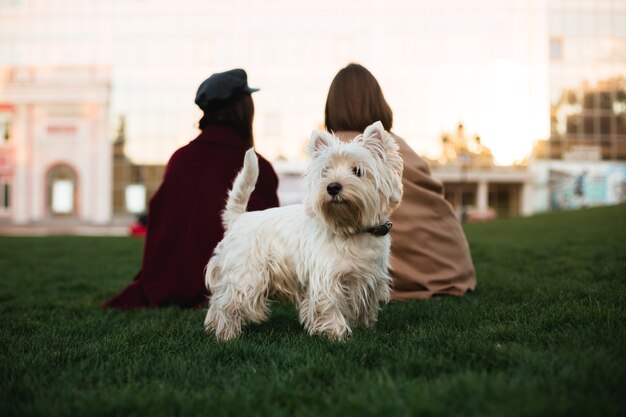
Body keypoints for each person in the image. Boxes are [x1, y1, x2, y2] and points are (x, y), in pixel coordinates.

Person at [103, 69, 280, 309]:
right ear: (243, 110)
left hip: (174, 281)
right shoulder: (258, 166)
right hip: (237, 281)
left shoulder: (181, 159)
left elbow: (163, 227)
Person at [324, 63, 476, 300]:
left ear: (331, 106)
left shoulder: (338, 150)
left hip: (407, 274)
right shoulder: (397, 144)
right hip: (454, 268)